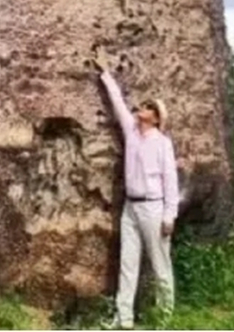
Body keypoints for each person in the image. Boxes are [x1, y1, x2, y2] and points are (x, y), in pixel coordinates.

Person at [94, 49, 179, 330]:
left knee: (160, 264)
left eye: (147, 107)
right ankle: (124, 319)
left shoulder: (162, 143)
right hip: (130, 207)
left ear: (155, 117)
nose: (140, 108)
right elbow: (118, 102)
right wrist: (105, 72)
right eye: (142, 105)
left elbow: (171, 181)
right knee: (127, 264)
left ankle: (164, 320)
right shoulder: (131, 131)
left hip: (153, 208)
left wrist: (170, 216)